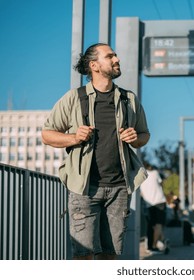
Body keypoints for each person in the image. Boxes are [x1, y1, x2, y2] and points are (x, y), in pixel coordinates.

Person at [41, 43, 150, 260]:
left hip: (119, 188)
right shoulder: (74, 98)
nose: (117, 59)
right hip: (84, 189)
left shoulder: (128, 100)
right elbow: (47, 134)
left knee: (110, 256)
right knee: (84, 255)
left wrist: (135, 139)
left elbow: (144, 134)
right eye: (110, 56)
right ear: (94, 66)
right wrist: (74, 137)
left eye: (116, 55)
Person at [140, 164, 169, 254]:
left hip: (149, 203)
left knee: (151, 225)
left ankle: (151, 246)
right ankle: (157, 244)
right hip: (159, 201)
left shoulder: (140, 175)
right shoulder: (155, 173)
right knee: (159, 224)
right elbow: (161, 183)